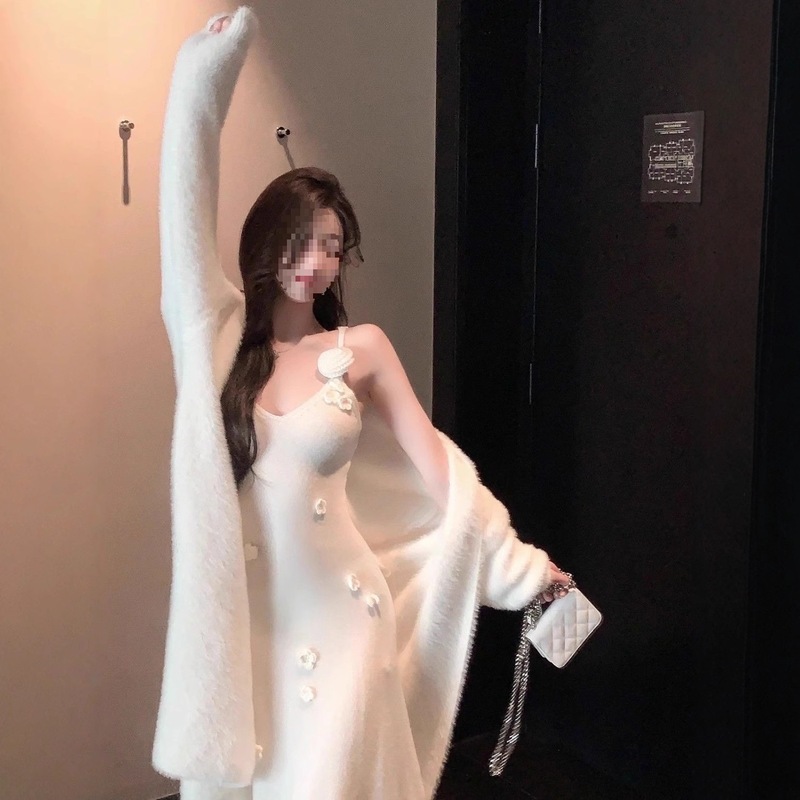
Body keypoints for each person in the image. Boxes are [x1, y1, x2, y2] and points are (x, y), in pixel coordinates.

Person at [152, 7, 572, 800]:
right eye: (302, 241)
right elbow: (180, 227)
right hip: (256, 626)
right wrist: (200, 83)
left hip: (346, 616)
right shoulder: (219, 343)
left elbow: (443, 472)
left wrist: (525, 569)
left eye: (333, 246)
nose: (316, 262)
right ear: (266, 242)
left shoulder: (363, 349)